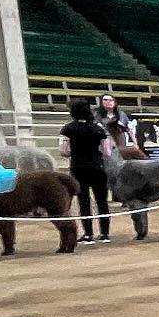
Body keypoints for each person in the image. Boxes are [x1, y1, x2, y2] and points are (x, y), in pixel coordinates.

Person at [59, 98, 112, 242]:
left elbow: (63, 152)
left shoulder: (68, 128)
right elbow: (107, 153)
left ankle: (88, 235)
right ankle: (105, 234)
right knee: (102, 201)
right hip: (97, 168)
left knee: (84, 201)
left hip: (78, 168)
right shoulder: (98, 128)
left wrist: (76, 151)